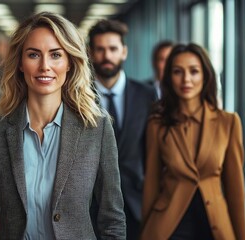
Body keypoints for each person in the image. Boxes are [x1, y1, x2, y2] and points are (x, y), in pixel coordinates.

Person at [0, 12, 126, 239]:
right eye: (33, 55)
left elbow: (112, 220)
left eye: (55, 55)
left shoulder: (96, 129)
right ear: (21, 63)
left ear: (70, 62)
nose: (44, 66)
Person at [141, 43, 245, 240]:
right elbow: (151, 184)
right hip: (169, 226)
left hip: (215, 226)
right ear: (169, 78)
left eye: (194, 71)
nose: (186, 79)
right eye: (178, 72)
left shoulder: (228, 122)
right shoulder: (157, 124)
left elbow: (235, 191)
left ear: (206, 75)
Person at [88, 19, 157, 240]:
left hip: (136, 203)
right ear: (90, 53)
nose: (107, 56)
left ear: (124, 52)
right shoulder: (78, 96)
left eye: (113, 49)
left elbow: (151, 151)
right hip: (89, 204)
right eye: (100, 49)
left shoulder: (146, 95)